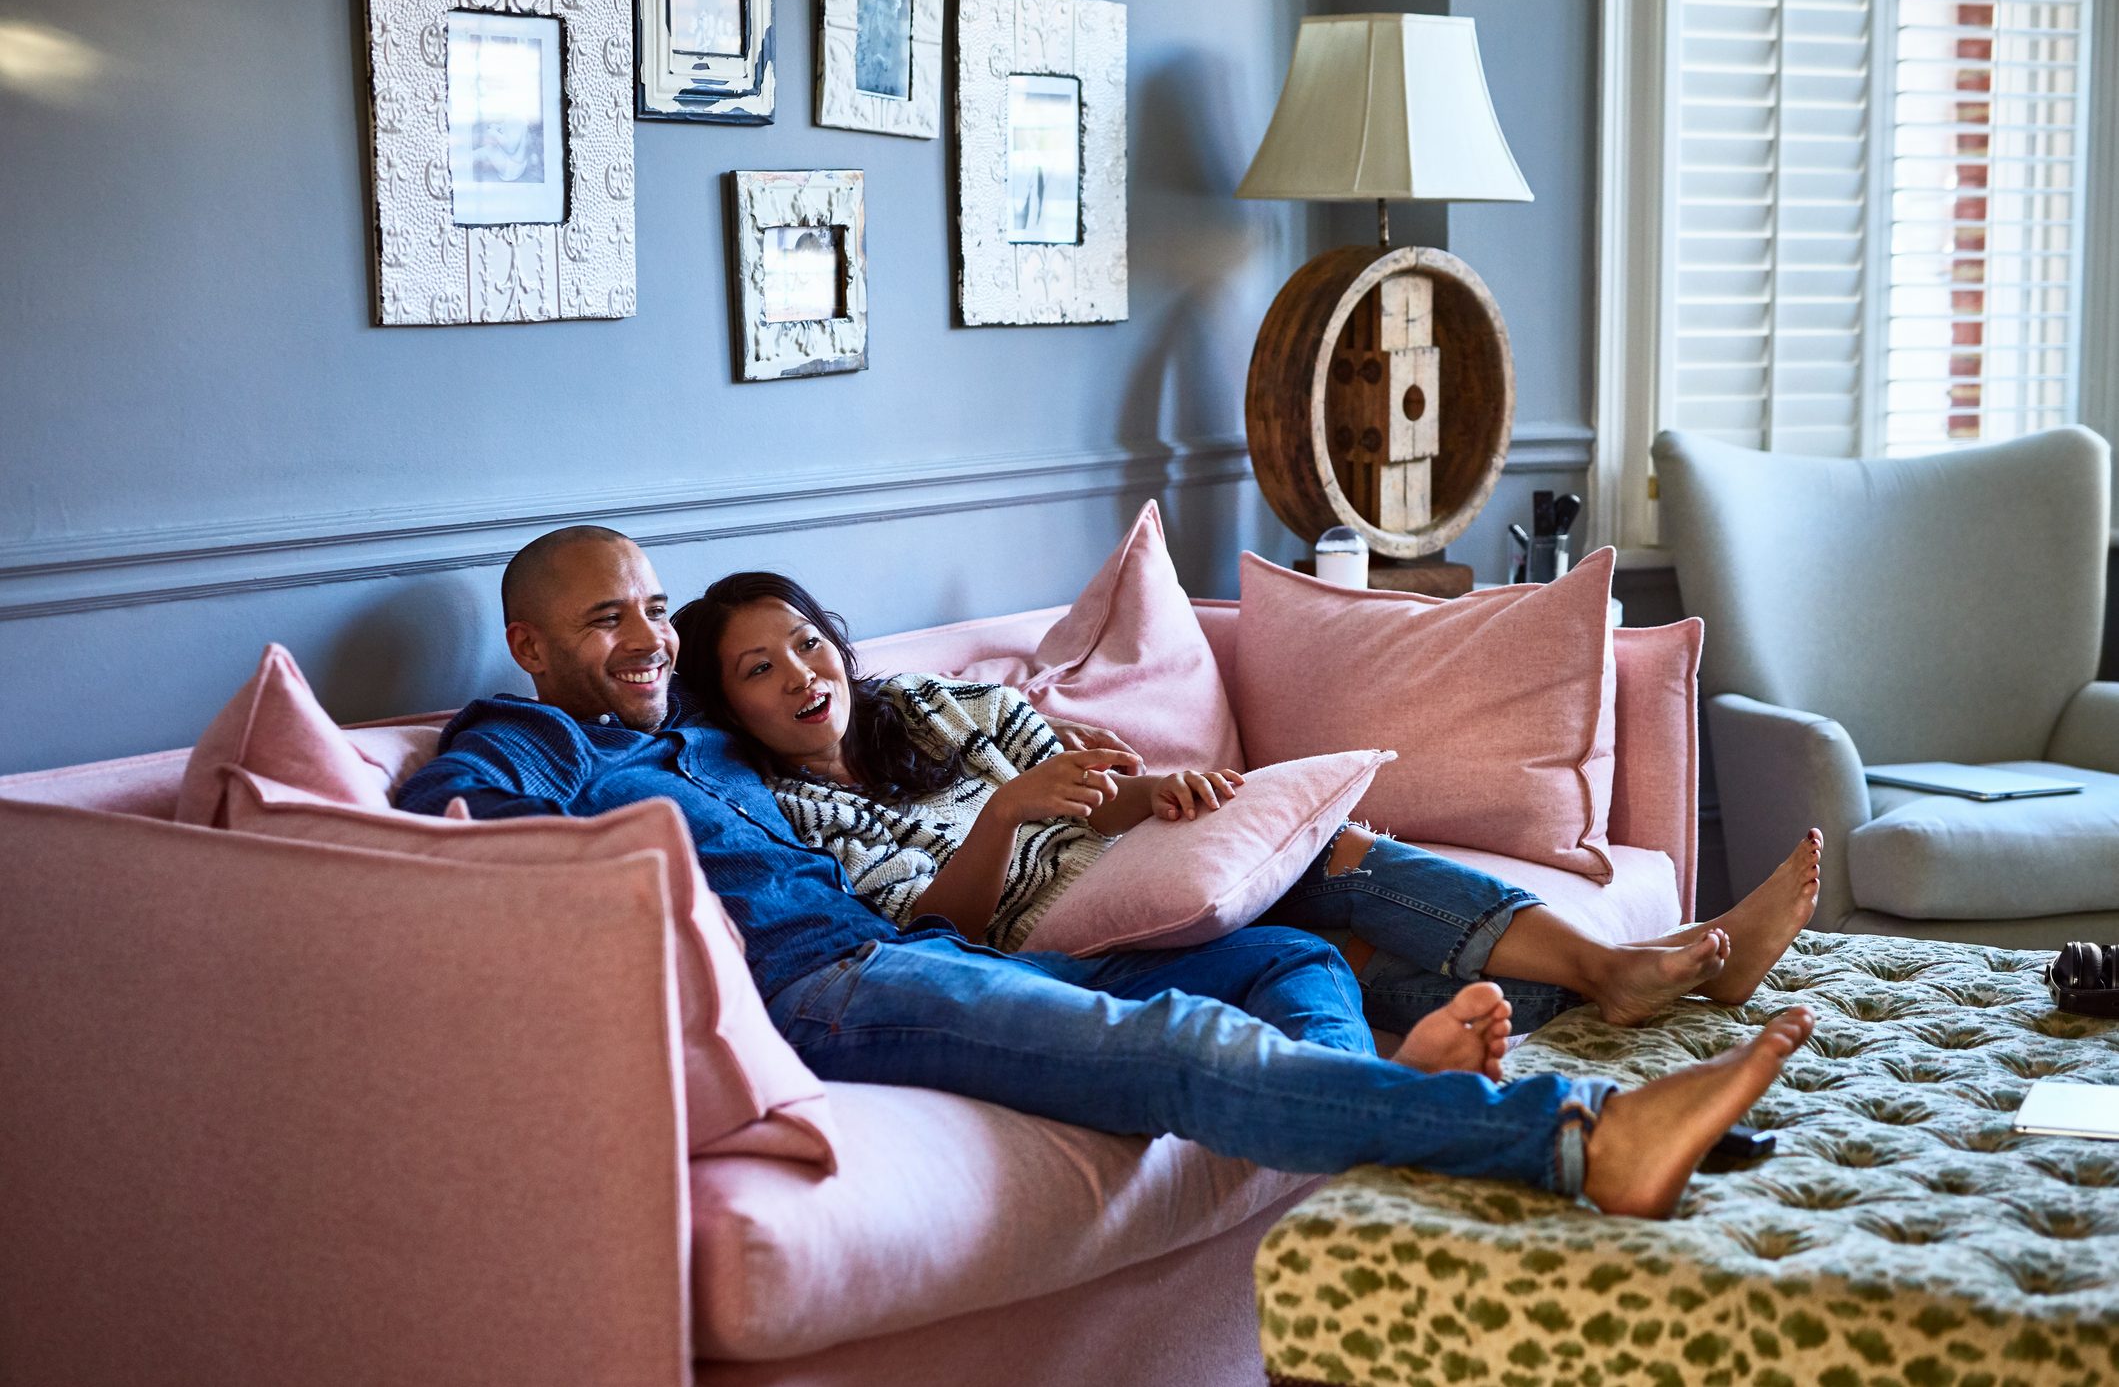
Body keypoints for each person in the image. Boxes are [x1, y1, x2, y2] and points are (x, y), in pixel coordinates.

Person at [395, 525, 1817, 1218]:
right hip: (822, 991)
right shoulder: (531, 732)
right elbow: (449, 846)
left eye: (651, 609)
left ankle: (1396, 1124)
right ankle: (1570, 1137)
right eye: (604, 621)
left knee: (1279, 958)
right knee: (1176, 1042)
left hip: (921, 961)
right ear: (531, 646)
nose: (642, 637)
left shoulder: (700, 736)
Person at [674, 570, 1824, 1040]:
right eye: (759, 670)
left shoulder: (923, 704)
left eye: (806, 643)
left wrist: (1145, 795)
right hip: (1035, 929)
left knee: (1337, 901)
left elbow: (1093, 796)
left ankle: (1636, 972)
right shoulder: (780, 810)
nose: (800, 676)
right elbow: (934, 932)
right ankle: (1641, 967)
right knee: (1325, 883)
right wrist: (1004, 820)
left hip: (1109, 862)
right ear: (727, 704)